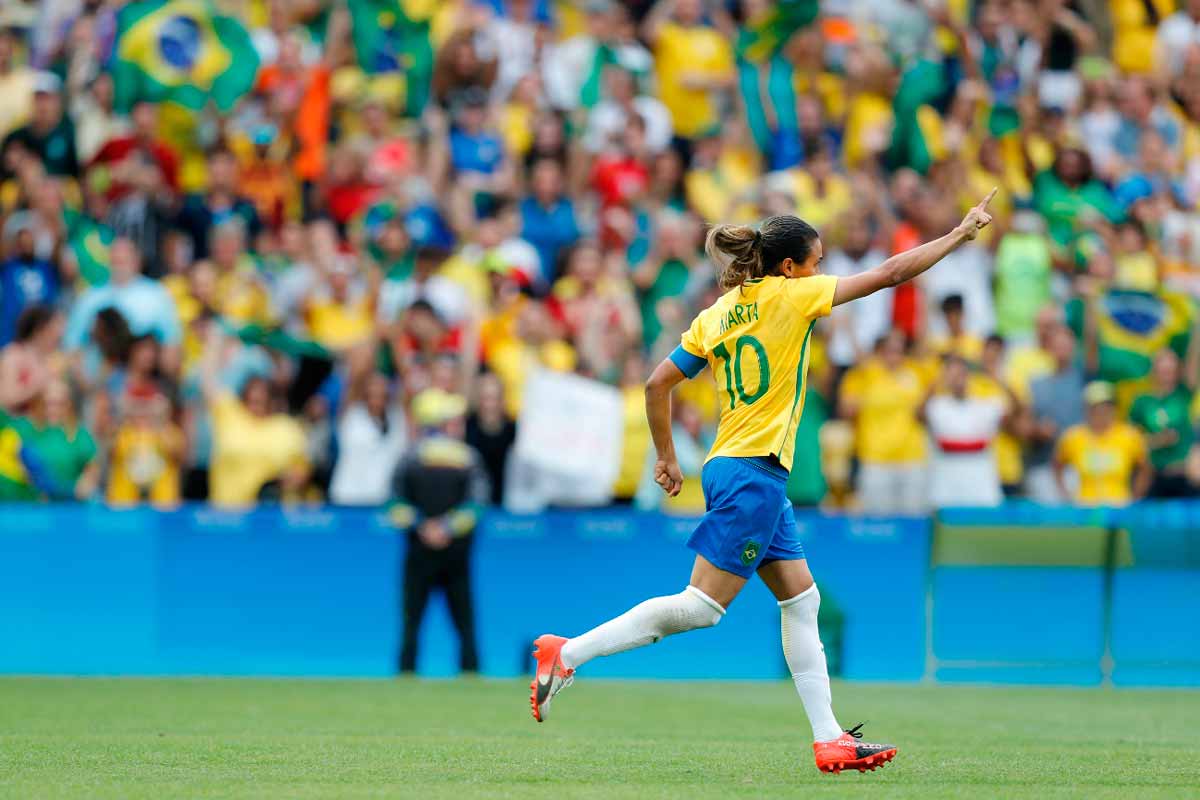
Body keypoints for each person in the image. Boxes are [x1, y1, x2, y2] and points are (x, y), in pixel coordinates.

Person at [528, 190, 998, 773]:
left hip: (738, 465)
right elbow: (891, 271)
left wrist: (668, 458)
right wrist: (958, 234)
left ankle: (831, 739)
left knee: (802, 599)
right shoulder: (794, 296)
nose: (820, 271)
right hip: (753, 471)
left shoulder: (716, 313)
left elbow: (655, 384)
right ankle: (566, 652)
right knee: (700, 607)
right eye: (816, 262)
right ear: (788, 266)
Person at [392, 388, 490, 674]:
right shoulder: (468, 458)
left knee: (415, 623)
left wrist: (425, 526)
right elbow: (477, 504)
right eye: (452, 419)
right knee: (460, 624)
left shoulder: (409, 457)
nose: (458, 424)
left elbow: (394, 504)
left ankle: (406, 678)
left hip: (428, 551)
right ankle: (470, 678)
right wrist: (444, 528)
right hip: (448, 553)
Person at [1054, 381, 1151, 506]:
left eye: (1106, 407)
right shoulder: (1073, 437)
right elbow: (1057, 465)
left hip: (1119, 506)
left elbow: (1145, 468)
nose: (1101, 412)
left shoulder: (1129, 435)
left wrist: (1136, 497)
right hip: (1085, 507)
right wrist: (1065, 494)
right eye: (1095, 408)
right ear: (1087, 409)